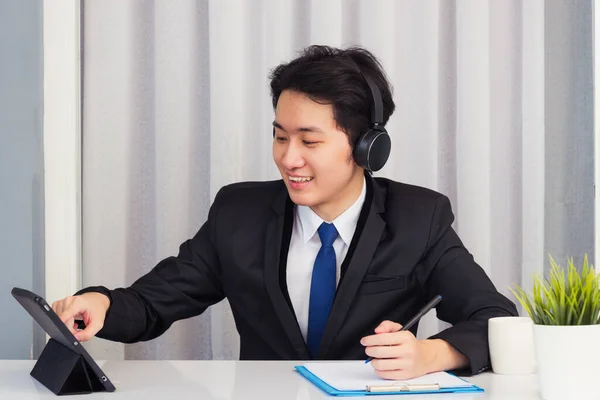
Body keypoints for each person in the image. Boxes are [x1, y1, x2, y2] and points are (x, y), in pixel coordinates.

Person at [52, 45, 518, 380]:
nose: (287, 158)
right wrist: (101, 304)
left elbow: (496, 318)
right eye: (280, 136)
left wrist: (432, 354)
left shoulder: (420, 217)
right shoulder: (239, 212)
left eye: (309, 141)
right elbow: (151, 304)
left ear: (366, 148)